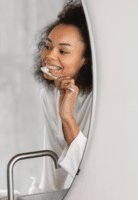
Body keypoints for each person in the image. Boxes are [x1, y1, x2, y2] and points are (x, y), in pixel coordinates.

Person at [33, 2, 93, 192]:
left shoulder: (98, 99)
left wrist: (66, 116)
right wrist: (45, 196)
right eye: (48, 46)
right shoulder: (49, 93)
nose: (49, 56)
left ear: (86, 60)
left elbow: (90, 169)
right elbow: (53, 160)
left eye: (63, 51)